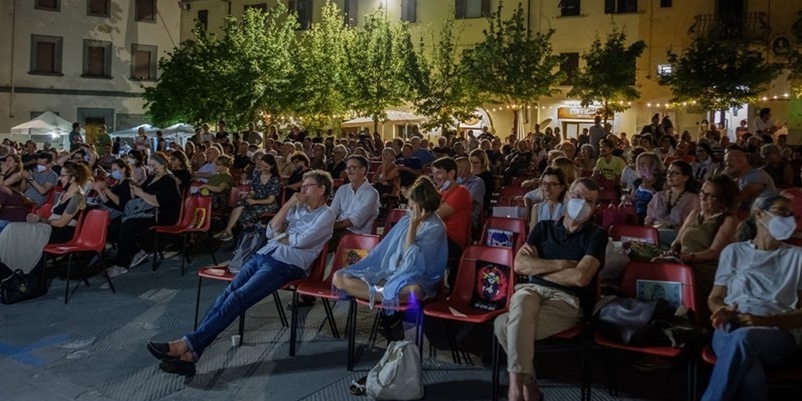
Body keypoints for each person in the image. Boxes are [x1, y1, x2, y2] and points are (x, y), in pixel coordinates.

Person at [146, 170, 336, 376]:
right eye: (303, 186)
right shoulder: (296, 207)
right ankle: (191, 354)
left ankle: (185, 344)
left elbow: (301, 242)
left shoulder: (326, 215)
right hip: (265, 254)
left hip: (286, 264)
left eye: (308, 186)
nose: (303, 190)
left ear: (322, 189)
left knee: (239, 297)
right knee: (226, 295)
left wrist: (283, 236)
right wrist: (288, 205)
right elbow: (271, 231)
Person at [494, 178, 608, 401]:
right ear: (567, 196)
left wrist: (538, 268)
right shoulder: (543, 228)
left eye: (589, 201)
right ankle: (521, 390)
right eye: (577, 196)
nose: (582, 203)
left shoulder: (596, 235)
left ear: (595, 207)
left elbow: (581, 278)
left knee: (504, 326)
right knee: (524, 297)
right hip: (532, 291)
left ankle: (523, 388)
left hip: (567, 302)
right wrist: (561, 264)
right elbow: (519, 265)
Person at [701, 194, 802, 401]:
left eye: (790, 214)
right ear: (759, 215)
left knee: (743, 338)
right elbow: (715, 298)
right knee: (751, 376)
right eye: (781, 212)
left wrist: (764, 321)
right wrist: (720, 310)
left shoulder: (798, 257)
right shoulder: (733, 252)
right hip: (731, 325)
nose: (788, 218)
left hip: (776, 333)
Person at [333, 176, 447, 310]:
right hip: (391, 272)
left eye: (412, 206)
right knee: (339, 277)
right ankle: (385, 294)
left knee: (412, 292)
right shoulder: (406, 220)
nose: (409, 209)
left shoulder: (435, 227)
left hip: (417, 277)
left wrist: (413, 226)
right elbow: (383, 252)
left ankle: (381, 294)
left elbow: (412, 262)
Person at [661, 175, 739, 321]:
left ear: (723, 200)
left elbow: (714, 252)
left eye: (710, 196)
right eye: (702, 193)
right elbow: (677, 242)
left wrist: (686, 258)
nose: (702, 198)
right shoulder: (694, 214)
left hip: (706, 268)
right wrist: (672, 252)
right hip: (683, 263)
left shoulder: (728, 220)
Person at [0, 162, 89, 275]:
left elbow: (61, 223)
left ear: (73, 178)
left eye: (63, 176)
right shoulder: (65, 193)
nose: (60, 179)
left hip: (62, 232)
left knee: (13, 229)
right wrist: (39, 219)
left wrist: (41, 219)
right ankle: (7, 268)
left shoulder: (78, 196)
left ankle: (13, 271)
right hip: (50, 227)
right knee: (11, 228)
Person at [106, 152, 181, 277]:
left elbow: (157, 202)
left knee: (128, 225)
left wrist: (140, 193)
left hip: (162, 214)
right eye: (150, 165)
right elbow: (143, 192)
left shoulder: (169, 180)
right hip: (148, 210)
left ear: (163, 165)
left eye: (154, 165)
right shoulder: (153, 177)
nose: (151, 168)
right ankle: (137, 251)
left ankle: (121, 264)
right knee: (116, 223)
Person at [214, 154, 282, 241]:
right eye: (262, 166)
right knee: (240, 203)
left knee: (245, 214)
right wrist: (249, 195)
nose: (263, 168)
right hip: (256, 200)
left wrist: (255, 202)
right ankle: (229, 230)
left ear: (272, 166)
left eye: (266, 167)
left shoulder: (275, 179)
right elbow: (253, 191)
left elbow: (271, 199)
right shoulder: (257, 174)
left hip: (268, 204)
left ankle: (244, 236)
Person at [431, 157, 472, 280]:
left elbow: (437, 215)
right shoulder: (439, 193)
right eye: (433, 174)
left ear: (451, 173)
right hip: (436, 235)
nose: (435, 177)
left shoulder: (461, 192)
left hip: (452, 240)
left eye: (439, 173)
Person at [328, 155, 380, 248]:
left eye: (352, 168)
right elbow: (331, 213)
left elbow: (354, 221)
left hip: (358, 236)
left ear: (363, 170)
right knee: (313, 237)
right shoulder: (342, 189)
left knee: (320, 239)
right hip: (339, 230)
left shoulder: (371, 193)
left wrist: (328, 227)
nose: (349, 172)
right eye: (347, 168)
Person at [645, 160, 700, 240]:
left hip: (677, 235)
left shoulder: (692, 198)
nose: (669, 176)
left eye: (674, 173)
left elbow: (689, 226)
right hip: (655, 233)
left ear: (685, 177)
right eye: (668, 172)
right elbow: (648, 220)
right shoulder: (659, 196)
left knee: (656, 235)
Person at [528, 167, 566, 233]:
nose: (546, 188)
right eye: (544, 183)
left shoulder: (567, 209)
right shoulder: (536, 208)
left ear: (562, 188)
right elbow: (532, 236)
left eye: (552, 184)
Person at [631, 152, 666, 224]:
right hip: (637, 216)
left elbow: (666, 204)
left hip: (655, 218)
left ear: (653, 165)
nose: (640, 166)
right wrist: (626, 198)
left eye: (643, 163)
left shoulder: (663, 182)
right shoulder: (637, 182)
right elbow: (633, 200)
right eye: (639, 163)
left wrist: (652, 191)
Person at [455, 156, 486, 235]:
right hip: (453, 215)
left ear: (464, 170)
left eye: (456, 168)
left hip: (468, 220)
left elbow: (467, 201)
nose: (453, 171)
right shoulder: (455, 182)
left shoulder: (478, 182)